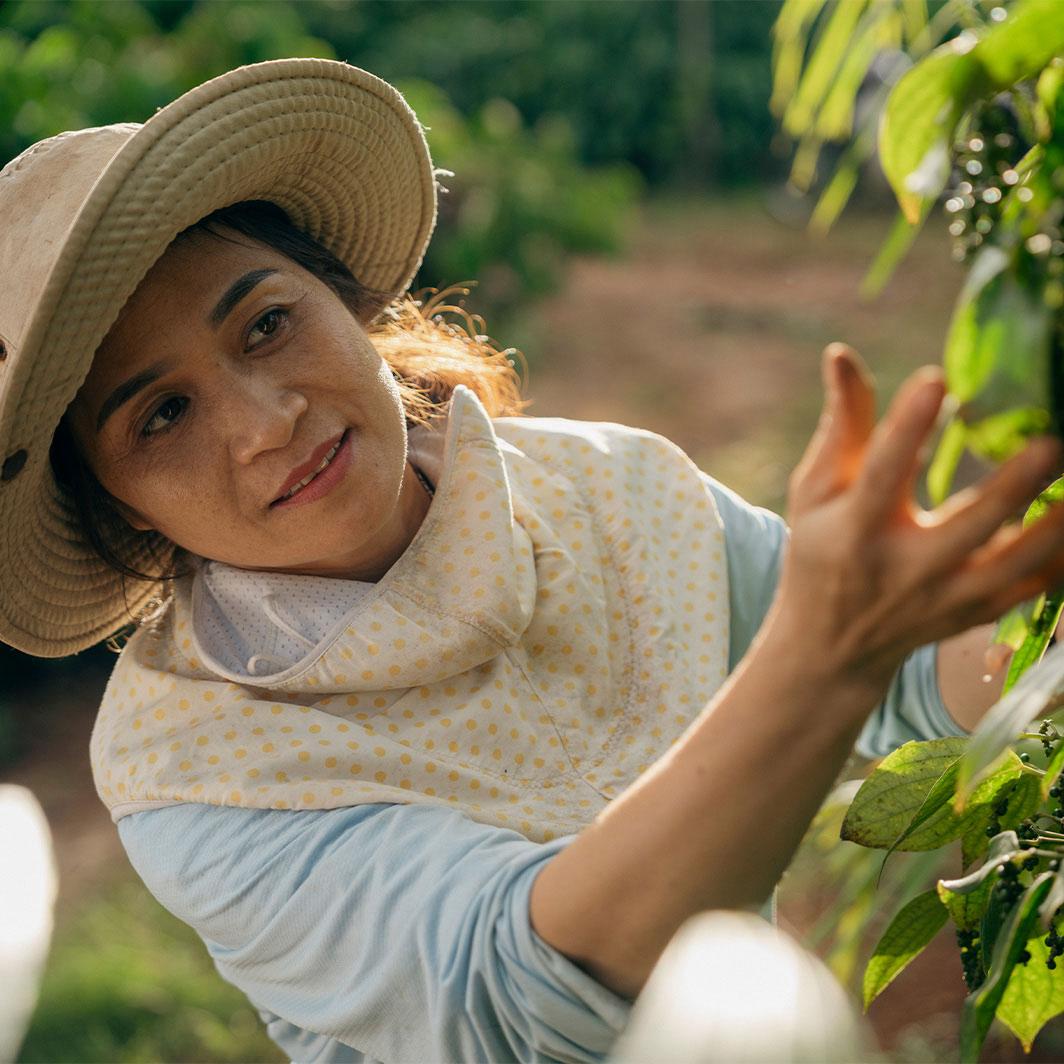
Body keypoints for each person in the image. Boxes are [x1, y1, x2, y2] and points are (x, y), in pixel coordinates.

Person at [2, 58, 1063, 1064]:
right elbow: (533, 992)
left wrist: (1025, 633)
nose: (265, 420)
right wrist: (820, 654)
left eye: (268, 322)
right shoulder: (195, 773)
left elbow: (910, 674)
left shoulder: (610, 488)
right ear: (118, 507)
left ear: (349, 300)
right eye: (163, 413)